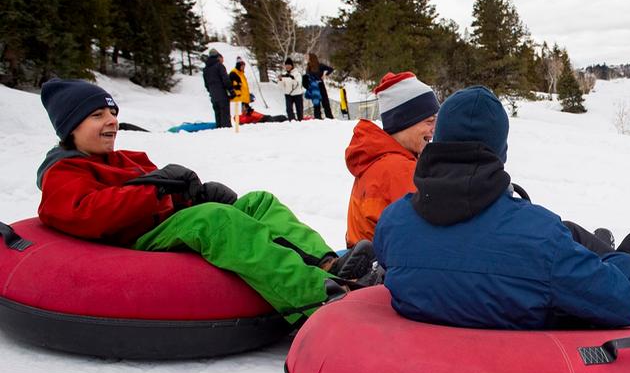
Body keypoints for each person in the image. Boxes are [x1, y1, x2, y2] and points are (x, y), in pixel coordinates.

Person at [374, 85, 630, 348]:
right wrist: (627, 271)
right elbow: (618, 305)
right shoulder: (538, 234)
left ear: (437, 143)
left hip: (424, 356)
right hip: (526, 362)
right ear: (501, 152)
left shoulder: (393, 222)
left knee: (568, 244)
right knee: (628, 270)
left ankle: (602, 256)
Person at [35, 78, 376, 323]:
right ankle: (318, 295)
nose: (111, 122)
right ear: (70, 128)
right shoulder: (64, 172)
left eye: (112, 114)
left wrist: (193, 194)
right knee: (215, 220)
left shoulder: (127, 158)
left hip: (160, 223)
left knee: (258, 202)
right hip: (132, 237)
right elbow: (87, 214)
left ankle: (329, 264)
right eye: (97, 116)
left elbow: (164, 195)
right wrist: (156, 191)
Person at [344, 72, 439, 246]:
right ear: (405, 122)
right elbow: (424, 235)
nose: (434, 129)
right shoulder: (398, 168)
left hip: (365, 263)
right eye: (429, 121)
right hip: (383, 267)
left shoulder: (377, 158)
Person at [201, 49, 232, 128]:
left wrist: (211, 91)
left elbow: (206, 84)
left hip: (213, 95)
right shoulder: (219, 66)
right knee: (225, 116)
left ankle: (219, 133)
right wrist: (231, 90)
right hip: (222, 94)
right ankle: (227, 133)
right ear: (218, 56)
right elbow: (225, 79)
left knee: (218, 116)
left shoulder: (206, 69)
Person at [303, 53, 334, 120]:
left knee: (325, 102)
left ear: (311, 58)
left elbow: (331, 69)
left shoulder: (320, 66)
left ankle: (329, 118)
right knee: (316, 103)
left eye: (307, 57)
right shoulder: (308, 67)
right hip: (313, 87)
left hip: (320, 85)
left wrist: (325, 75)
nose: (306, 59)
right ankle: (317, 118)